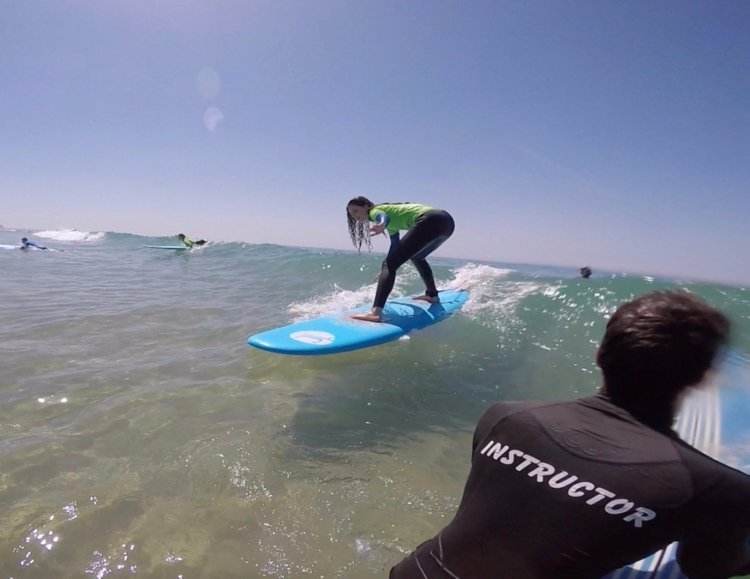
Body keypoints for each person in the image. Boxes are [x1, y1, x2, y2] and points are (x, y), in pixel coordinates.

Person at [391, 290, 750, 579]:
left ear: (599, 355)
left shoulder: (505, 417)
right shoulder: (719, 488)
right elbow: (706, 568)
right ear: (703, 380)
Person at [346, 197, 455, 322]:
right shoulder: (392, 217)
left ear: (366, 206)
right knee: (417, 257)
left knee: (390, 263)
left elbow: (382, 216)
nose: (354, 216)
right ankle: (432, 295)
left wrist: (382, 224)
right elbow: (395, 245)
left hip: (430, 219)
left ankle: (375, 312)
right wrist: (386, 268)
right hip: (447, 222)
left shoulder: (375, 211)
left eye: (356, 211)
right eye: (351, 214)